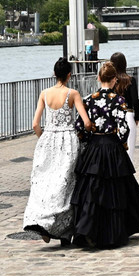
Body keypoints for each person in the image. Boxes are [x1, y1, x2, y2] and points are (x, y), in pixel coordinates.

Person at [70, 61, 139, 247]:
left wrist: (88, 141)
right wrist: (121, 144)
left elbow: (79, 126)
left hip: (94, 146)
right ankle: (113, 231)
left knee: (91, 190)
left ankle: (88, 229)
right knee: (116, 191)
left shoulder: (88, 99)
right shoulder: (118, 100)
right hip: (112, 145)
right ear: (115, 79)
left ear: (98, 78)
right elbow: (124, 128)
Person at [23, 58, 93, 244]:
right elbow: (86, 122)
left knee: (45, 182)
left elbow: (35, 124)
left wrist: (44, 138)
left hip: (48, 139)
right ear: (69, 75)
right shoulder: (73, 94)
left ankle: (42, 222)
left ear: (54, 74)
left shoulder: (44, 93)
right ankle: (62, 231)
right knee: (66, 185)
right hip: (68, 140)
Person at [111, 52, 139, 161]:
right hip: (128, 113)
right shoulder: (130, 80)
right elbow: (135, 100)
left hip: (114, 115)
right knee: (129, 149)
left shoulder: (111, 80)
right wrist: (137, 117)